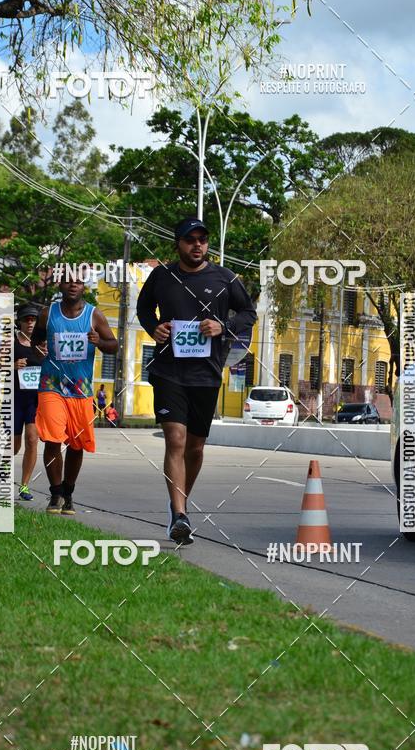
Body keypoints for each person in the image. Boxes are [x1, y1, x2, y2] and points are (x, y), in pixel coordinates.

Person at [137, 216, 257, 544]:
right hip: (168, 371)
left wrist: (223, 326)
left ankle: (180, 505)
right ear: (178, 244)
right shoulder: (162, 276)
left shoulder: (224, 278)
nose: (197, 245)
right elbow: (143, 308)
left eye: (202, 240)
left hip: (206, 374)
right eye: (190, 240)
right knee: (175, 439)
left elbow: (249, 313)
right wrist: (154, 328)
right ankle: (178, 515)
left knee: (196, 447)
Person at [32, 275, 117, 515]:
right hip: (52, 384)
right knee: (52, 438)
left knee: (77, 444)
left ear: (83, 286)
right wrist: (38, 347)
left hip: (80, 389)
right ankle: (55, 493)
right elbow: (36, 338)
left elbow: (113, 346)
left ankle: (68, 493)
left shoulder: (94, 315)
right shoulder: (48, 313)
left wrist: (99, 341)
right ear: (60, 285)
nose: (73, 285)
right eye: (68, 281)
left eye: (78, 281)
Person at [13, 303, 45, 501]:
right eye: (27, 319)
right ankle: (4, 466)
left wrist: (47, 358)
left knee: (32, 440)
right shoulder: (11, 342)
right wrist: (12, 365)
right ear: (20, 322)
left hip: (35, 399)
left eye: (33, 319)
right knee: (14, 447)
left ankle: (24, 485)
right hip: (15, 399)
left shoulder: (43, 343)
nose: (30, 323)